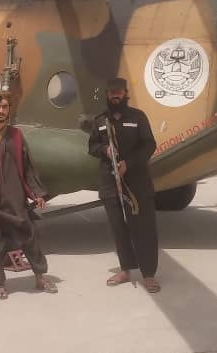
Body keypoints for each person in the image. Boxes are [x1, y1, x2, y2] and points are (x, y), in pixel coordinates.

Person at [0, 91, 57, 300]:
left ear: (9, 109)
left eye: (4, 107)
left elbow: (28, 167)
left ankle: (40, 277)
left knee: (29, 234)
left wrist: (37, 193)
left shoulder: (17, 135)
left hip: (15, 196)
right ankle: (0, 283)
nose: (1, 111)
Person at [88, 77, 160, 293]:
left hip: (137, 182)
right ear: (107, 95)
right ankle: (125, 270)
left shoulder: (138, 117)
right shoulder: (100, 120)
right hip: (110, 182)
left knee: (144, 228)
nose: (115, 96)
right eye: (112, 92)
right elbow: (92, 146)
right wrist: (105, 150)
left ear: (126, 94)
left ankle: (149, 275)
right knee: (118, 228)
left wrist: (129, 163)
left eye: (119, 92)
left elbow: (149, 145)